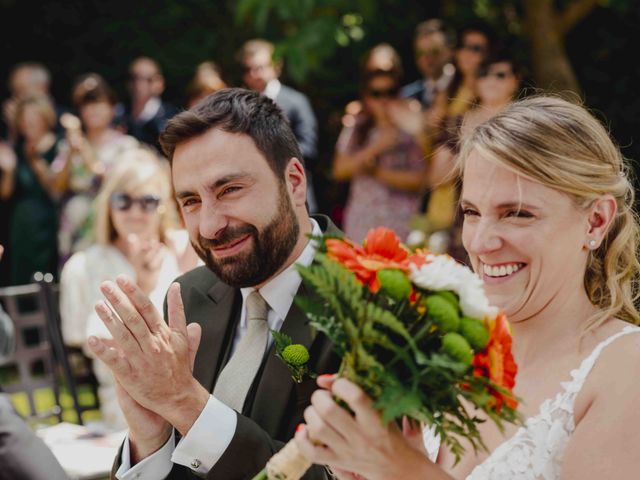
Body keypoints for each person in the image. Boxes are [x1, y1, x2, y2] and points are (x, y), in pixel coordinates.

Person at [294, 95, 640, 479]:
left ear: (595, 222)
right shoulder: (441, 350)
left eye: (517, 214)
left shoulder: (626, 369)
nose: (480, 242)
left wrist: (400, 469)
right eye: (473, 212)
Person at [86, 88, 340, 479]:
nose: (209, 225)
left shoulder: (378, 303)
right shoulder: (188, 296)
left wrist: (186, 404)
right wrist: (150, 439)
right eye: (190, 201)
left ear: (294, 182)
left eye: (230, 190)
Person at [59, 147, 196, 430]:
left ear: (162, 206)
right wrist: (142, 285)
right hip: (128, 402)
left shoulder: (181, 249)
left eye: (147, 202)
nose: (135, 212)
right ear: (108, 204)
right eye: (123, 200)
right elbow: (89, 342)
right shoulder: (84, 265)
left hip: (196, 389)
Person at [333, 67, 427, 243]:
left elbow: (420, 180)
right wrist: (376, 147)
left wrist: (377, 172)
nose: (383, 100)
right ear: (367, 99)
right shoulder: (357, 126)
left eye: (390, 93)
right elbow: (339, 169)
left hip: (401, 228)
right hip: (362, 225)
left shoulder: (411, 131)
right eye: (376, 94)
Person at [55, 73, 139, 264]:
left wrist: (84, 151)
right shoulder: (68, 144)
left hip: (108, 221)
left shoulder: (125, 145)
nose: (94, 111)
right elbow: (57, 187)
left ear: (111, 108)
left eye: (100, 104)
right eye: (88, 105)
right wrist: (70, 152)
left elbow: (117, 182)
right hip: (74, 223)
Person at [238, 39, 320, 213]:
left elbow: (309, 148)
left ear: (276, 66)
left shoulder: (296, 102)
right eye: (248, 69)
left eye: (260, 67)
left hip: (294, 194)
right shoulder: (238, 106)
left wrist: (269, 153)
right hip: (256, 201)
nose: (254, 74)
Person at [6, 94, 65, 285]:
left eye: (33, 118)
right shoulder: (17, 148)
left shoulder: (59, 145)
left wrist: (35, 159)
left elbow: (54, 188)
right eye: (24, 119)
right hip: (21, 222)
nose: (28, 124)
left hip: (48, 220)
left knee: (46, 275)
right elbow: (7, 192)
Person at [124, 56, 178, 152]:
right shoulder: (119, 116)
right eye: (133, 78)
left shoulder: (171, 120)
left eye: (145, 79)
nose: (138, 84)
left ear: (159, 83)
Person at [400, 19, 455, 110]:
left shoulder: (465, 87)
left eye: (434, 51)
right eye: (421, 53)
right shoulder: (407, 96)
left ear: (449, 52)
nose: (427, 58)